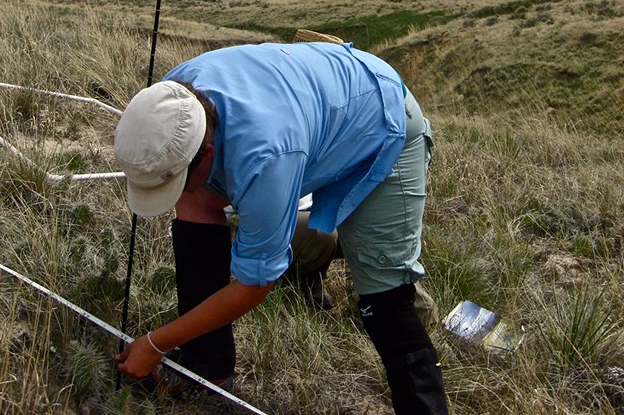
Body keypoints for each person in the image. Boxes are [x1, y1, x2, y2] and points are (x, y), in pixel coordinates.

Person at [114, 41, 448, 414]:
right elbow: (196, 182)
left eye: (173, 182)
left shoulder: (265, 160)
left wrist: (156, 343)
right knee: (195, 196)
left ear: (206, 152)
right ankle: (208, 364)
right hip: (314, 115)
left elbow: (254, 285)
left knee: (385, 299)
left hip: (382, 122)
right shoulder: (174, 101)